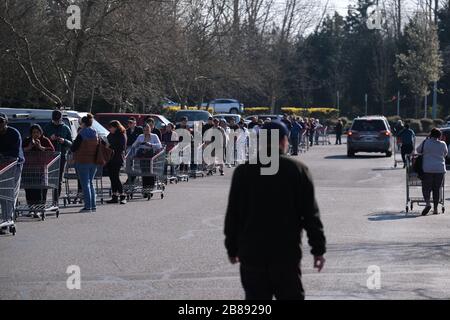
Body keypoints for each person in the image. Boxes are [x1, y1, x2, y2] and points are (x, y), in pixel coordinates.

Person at [224, 121, 326, 300]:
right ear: (283, 141)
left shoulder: (243, 172)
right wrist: (318, 249)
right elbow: (310, 215)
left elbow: (233, 215)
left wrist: (232, 248)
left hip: (252, 251)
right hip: (285, 251)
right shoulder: (297, 170)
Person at [0, 113, 24, 232]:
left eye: (1, 122)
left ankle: (7, 219)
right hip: (1, 168)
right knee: (2, 194)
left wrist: (3, 156)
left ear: (6, 122)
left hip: (14, 166)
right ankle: (4, 219)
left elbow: (15, 154)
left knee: (9, 194)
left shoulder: (13, 133)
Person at [70, 114, 99, 213]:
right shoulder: (95, 132)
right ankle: (93, 205)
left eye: (80, 123)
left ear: (84, 123)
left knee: (85, 184)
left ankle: (87, 206)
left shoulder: (82, 133)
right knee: (90, 183)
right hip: (94, 161)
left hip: (83, 160)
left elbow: (74, 147)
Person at [416, 128, 448, 216]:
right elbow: (445, 154)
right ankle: (435, 209)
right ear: (439, 136)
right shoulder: (443, 144)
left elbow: (418, 150)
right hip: (440, 169)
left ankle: (427, 203)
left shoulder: (425, 142)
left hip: (427, 169)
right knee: (436, 189)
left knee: (426, 188)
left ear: (430, 134)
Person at [23, 124, 55, 206]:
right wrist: (29, 147)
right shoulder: (27, 140)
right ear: (31, 133)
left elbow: (52, 151)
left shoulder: (45, 140)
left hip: (41, 169)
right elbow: (20, 150)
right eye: (34, 132)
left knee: (40, 189)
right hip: (28, 169)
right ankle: (31, 207)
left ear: (41, 133)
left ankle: (40, 207)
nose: (36, 134)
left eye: (37, 132)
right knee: (29, 189)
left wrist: (41, 147)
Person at [44, 110, 73, 200]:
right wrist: (49, 138)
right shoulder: (47, 127)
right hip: (49, 157)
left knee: (58, 179)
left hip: (61, 156)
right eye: (54, 120)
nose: (56, 121)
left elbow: (71, 143)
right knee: (46, 180)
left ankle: (55, 200)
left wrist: (64, 141)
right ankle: (43, 200)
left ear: (61, 119)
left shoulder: (65, 128)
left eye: (58, 119)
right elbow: (42, 141)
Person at [131, 124, 163, 197]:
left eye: (148, 129)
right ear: (143, 130)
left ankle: (150, 190)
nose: (146, 131)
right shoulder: (140, 136)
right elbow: (133, 145)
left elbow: (159, 146)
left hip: (152, 157)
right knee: (144, 172)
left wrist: (151, 144)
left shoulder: (154, 136)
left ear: (150, 129)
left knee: (150, 173)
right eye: (145, 130)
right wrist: (138, 143)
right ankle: (145, 190)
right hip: (142, 157)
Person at [106, 121, 128, 205]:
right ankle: (114, 196)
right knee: (112, 177)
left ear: (116, 127)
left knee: (116, 177)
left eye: (111, 127)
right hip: (110, 158)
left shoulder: (121, 134)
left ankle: (123, 195)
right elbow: (108, 141)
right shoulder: (110, 134)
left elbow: (121, 147)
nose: (109, 129)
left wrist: (110, 146)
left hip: (117, 158)